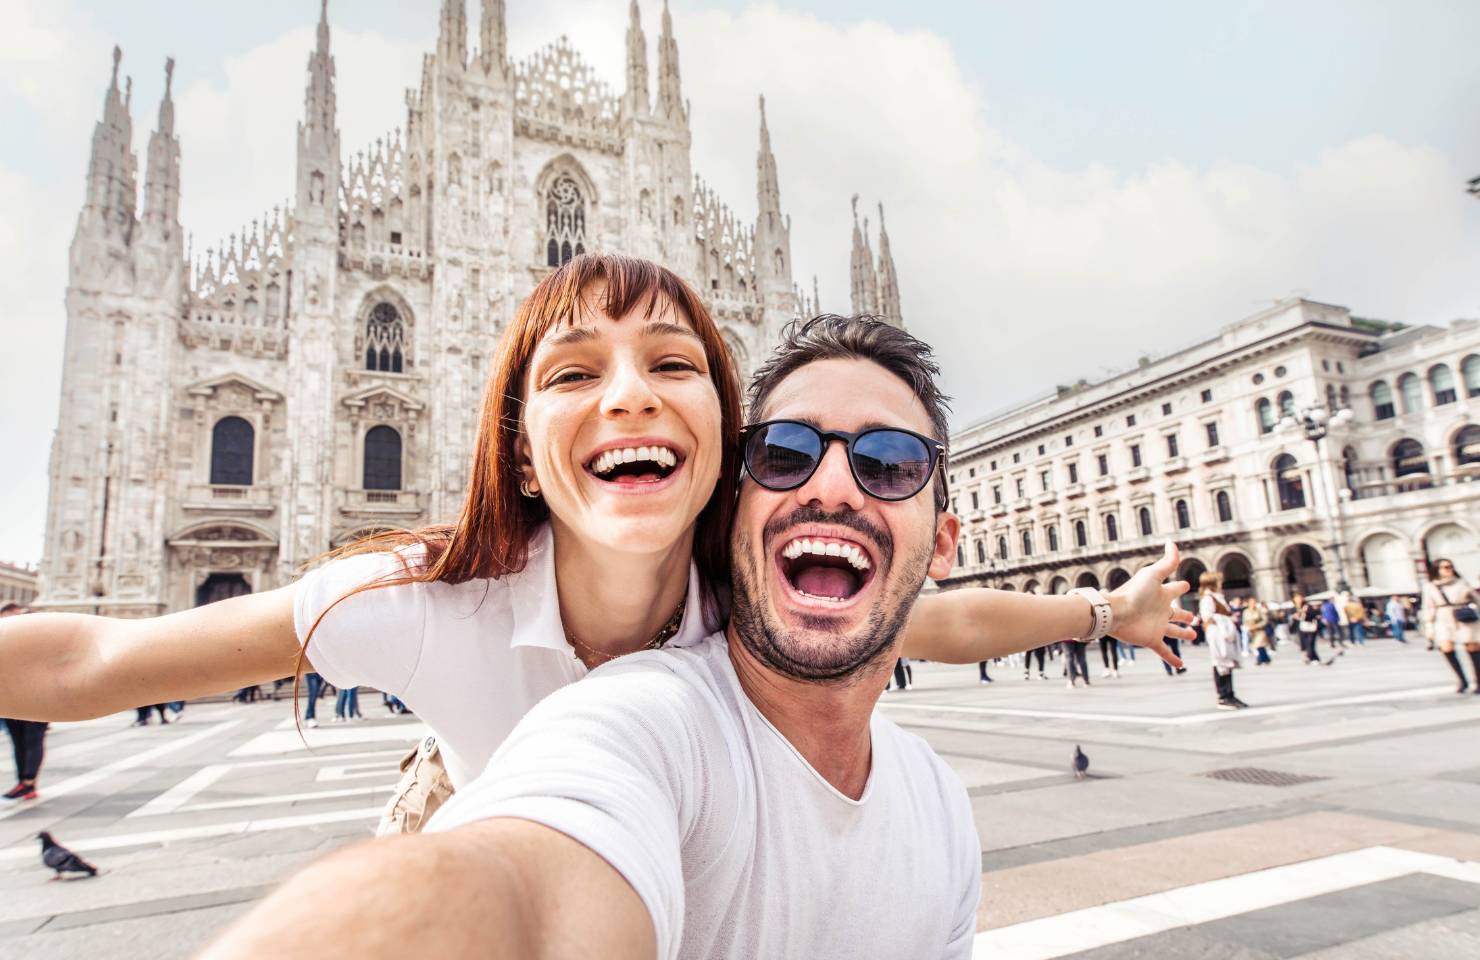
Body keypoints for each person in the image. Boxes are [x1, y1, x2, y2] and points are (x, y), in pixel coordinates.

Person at [0, 256, 1194, 836]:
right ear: (522, 455)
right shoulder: (424, 600)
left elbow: (938, 621)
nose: (628, 396)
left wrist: (1109, 614)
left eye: (674, 366)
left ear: (727, 445)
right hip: (479, 851)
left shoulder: (748, 597)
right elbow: (94, 663)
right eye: (573, 375)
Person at [202, 316, 1085, 960]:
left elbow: (953, 619)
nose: (832, 486)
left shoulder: (936, 810)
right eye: (781, 452)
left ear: (942, 541)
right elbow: (517, 887)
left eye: (889, 464)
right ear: (736, 500)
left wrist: (1107, 613)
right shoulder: (637, 715)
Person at [1422, 559, 1480, 694]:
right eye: (1445, 567)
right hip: (1443, 618)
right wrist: (1429, 626)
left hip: (1464, 616)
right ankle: (1462, 680)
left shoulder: (1461, 582)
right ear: (1437, 570)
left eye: (1450, 566)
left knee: (1473, 648)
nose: (1449, 569)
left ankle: (1478, 682)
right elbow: (1428, 607)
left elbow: (1476, 599)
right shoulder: (1430, 586)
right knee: (1446, 648)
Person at [1200, 572, 1246, 709]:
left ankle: (1230, 694)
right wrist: (1227, 619)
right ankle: (1223, 696)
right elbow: (1207, 617)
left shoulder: (1218, 597)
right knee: (1220, 663)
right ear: (1212, 582)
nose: (1221, 583)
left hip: (1225, 634)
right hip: (1217, 635)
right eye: (1219, 580)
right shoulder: (1208, 598)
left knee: (1228, 664)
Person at [1294, 593, 1324, 664]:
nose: (1298, 600)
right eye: (1296, 599)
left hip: (1311, 627)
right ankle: (1315, 658)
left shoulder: (1307, 606)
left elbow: (1315, 614)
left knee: (1310, 643)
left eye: (1299, 599)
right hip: (1303, 627)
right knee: (1308, 643)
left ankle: (1309, 657)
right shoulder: (1296, 608)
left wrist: (1305, 615)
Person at [1246, 598, 1271, 665]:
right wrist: (1248, 627)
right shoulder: (1246, 612)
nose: (1252, 604)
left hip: (1260, 630)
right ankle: (1265, 658)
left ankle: (1260, 659)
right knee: (1257, 646)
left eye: (1254, 602)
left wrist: (1257, 625)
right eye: (1251, 602)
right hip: (1252, 631)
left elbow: (1265, 620)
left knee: (1259, 645)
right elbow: (1244, 621)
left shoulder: (1259, 610)